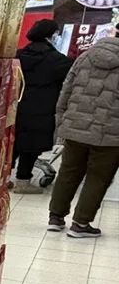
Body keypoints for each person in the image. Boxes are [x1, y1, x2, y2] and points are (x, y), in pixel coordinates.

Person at [48, 33, 119, 238]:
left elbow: (66, 90)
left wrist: (62, 125)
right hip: (110, 133)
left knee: (68, 172)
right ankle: (80, 223)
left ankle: (55, 218)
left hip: (75, 126)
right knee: (98, 178)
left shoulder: (86, 56)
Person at [12, 19, 72, 194]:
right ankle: (23, 182)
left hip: (15, 106)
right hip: (42, 109)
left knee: (12, 144)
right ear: (51, 35)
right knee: (31, 146)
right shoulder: (58, 60)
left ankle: (2, 179)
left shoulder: (18, 55)